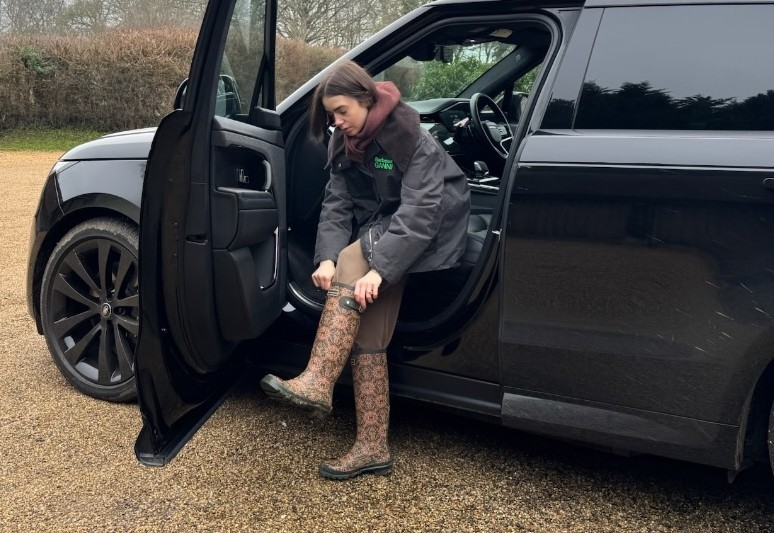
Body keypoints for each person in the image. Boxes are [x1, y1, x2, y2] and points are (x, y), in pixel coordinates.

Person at [260, 60, 470, 480]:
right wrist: (325, 257)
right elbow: (337, 204)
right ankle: (373, 448)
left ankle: (319, 379)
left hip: (434, 225)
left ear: (366, 98)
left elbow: (422, 212)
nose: (337, 123)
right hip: (386, 222)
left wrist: (380, 270)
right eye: (331, 116)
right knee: (368, 334)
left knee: (358, 261)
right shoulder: (345, 142)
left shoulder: (409, 137)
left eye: (342, 111)